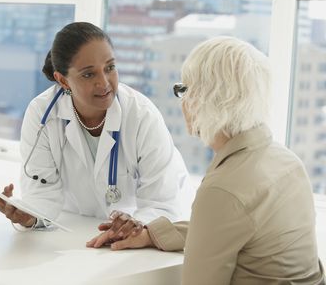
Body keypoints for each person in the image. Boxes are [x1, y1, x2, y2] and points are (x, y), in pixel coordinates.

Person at [87, 36, 325, 284]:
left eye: (185, 89)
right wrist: (150, 234)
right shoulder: (286, 162)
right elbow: (230, 227)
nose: (184, 101)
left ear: (208, 99)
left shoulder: (224, 189)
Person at [0, 22, 190, 230]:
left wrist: (135, 227)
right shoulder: (42, 114)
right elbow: (41, 192)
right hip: (74, 229)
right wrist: (30, 215)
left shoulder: (141, 115)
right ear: (62, 80)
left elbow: (161, 203)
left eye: (110, 68)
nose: (104, 82)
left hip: (140, 235)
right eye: (89, 74)